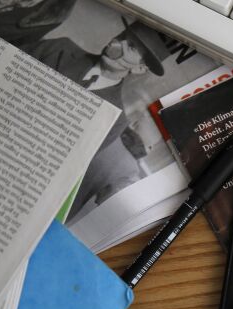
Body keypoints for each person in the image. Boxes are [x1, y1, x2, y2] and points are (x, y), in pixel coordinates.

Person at [21, 20, 171, 217]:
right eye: (122, 36)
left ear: (140, 69)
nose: (117, 44)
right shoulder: (60, 49)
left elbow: (69, 165)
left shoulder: (115, 119)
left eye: (131, 47)